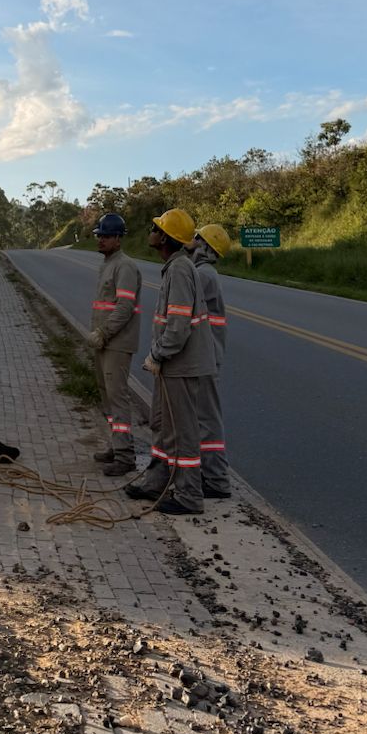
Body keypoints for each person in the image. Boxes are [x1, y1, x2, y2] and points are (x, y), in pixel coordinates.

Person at [124, 208, 215, 515]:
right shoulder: (175, 266)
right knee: (163, 426)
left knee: (183, 430)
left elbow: (178, 326)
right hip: (172, 365)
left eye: (156, 228)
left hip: (180, 364)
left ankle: (189, 496)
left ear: (165, 237)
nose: (151, 232)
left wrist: (158, 354)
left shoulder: (179, 270)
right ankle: (157, 480)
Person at [89, 212, 142, 477]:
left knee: (118, 397)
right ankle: (117, 445)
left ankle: (125, 456)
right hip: (105, 342)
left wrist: (104, 332)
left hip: (116, 343)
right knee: (107, 396)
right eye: (100, 235)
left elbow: (125, 307)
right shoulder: (107, 264)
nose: (101, 240)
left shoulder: (125, 266)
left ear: (119, 239)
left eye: (106, 236)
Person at [190, 224, 231, 498]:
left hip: (205, 356)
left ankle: (216, 480)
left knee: (207, 418)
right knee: (203, 417)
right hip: (205, 355)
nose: (189, 242)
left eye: (195, 239)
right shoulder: (205, 273)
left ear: (204, 246)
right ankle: (210, 475)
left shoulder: (203, 275)